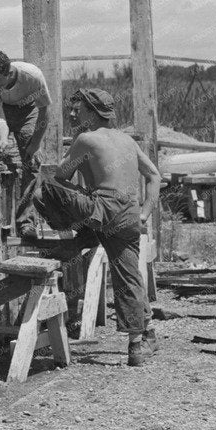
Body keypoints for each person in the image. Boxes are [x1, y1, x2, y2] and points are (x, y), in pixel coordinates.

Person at [39, 88, 164, 366]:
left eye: (79, 109)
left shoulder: (86, 139)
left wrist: (75, 203)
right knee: (129, 275)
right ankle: (141, 341)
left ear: (93, 113)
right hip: (129, 212)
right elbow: (154, 175)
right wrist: (144, 214)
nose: (73, 114)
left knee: (45, 187)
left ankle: (81, 232)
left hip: (103, 209)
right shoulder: (127, 140)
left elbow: (60, 176)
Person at [0, 51, 53, 238]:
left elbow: (44, 110)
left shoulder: (32, 76)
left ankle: (26, 223)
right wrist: (3, 138)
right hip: (2, 110)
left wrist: (35, 144)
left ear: (9, 74)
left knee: (32, 162)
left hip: (29, 111)